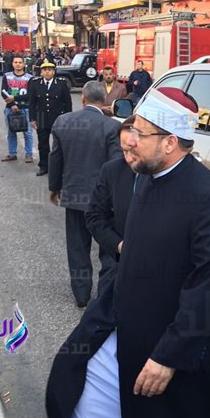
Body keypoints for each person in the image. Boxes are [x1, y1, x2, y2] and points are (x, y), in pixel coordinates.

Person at [45, 87, 210, 418]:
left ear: (170, 143)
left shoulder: (208, 197)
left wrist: (169, 356)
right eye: (132, 129)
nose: (129, 140)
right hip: (125, 329)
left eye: (140, 133)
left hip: (167, 348)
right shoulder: (148, 179)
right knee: (72, 385)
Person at [48, 81, 122, 308]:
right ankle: (106, 295)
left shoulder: (63, 122)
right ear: (105, 101)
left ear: (83, 98)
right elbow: (116, 165)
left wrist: (54, 187)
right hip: (104, 200)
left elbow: (56, 158)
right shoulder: (112, 126)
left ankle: (81, 294)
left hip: (74, 196)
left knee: (77, 246)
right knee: (108, 247)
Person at [84, 116, 137, 294]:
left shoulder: (163, 177)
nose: (128, 158)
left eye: (133, 151)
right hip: (115, 263)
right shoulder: (112, 171)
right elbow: (95, 215)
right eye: (124, 151)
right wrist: (119, 245)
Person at [28, 61, 72, 176]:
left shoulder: (61, 84)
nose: (47, 72)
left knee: (60, 143)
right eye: (45, 70)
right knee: (43, 144)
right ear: (41, 72)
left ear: (54, 72)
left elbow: (67, 103)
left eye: (50, 70)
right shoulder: (35, 84)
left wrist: (68, 119)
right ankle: (44, 166)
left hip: (58, 118)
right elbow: (32, 103)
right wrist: (32, 118)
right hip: (41, 118)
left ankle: (60, 166)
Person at [0, 55, 35, 163]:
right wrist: (12, 104)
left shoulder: (30, 78)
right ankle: (12, 154)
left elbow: (30, 95)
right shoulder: (7, 76)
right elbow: (3, 92)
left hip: (26, 108)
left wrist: (15, 98)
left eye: (20, 62)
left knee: (28, 133)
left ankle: (29, 155)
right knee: (11, 132)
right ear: (12, 64)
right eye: (16, 62)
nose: (18, 64)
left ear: (24, 64)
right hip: (10, 108)